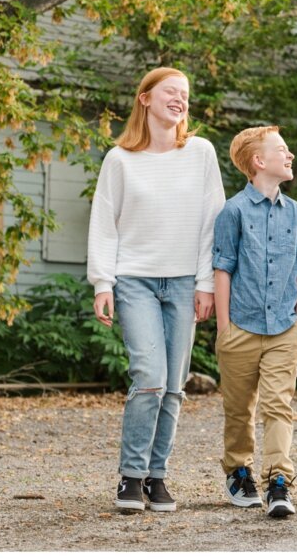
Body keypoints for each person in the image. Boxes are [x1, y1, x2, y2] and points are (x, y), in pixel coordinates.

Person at [87, 67, 225, 513]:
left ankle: (157, 476)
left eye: (185, 94)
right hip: (135, 281)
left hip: (186, 282)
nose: (180, 99)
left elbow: (212, 224)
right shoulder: (120, 159)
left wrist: (206, 283)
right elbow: (105, 225)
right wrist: (102, 282)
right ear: (145, 98)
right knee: (149, 377)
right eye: (171, 91)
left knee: (175, 386)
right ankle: (130, 476)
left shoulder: (201, 153)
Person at [212, 126, 297, 519]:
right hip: (240, 326)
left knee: (278, 405)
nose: (289, 156)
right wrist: (225, 328)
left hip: (286, 328)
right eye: (282, 150)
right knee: (239, 410)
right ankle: (239, 470)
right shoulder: (233, 211)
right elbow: (223, 269)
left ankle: (278, 482)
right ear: (258, 161)